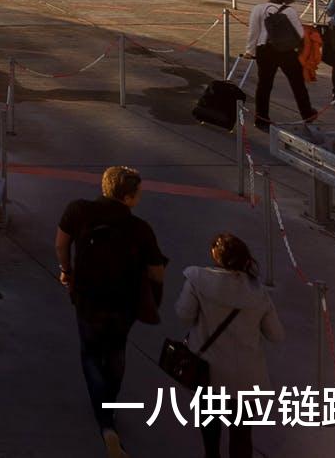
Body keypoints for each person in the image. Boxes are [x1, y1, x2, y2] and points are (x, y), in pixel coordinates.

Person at [56, 165, 167, 458]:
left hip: (87, 298)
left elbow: (61, 244)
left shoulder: (78, 210)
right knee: (116, 352)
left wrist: (67, 271)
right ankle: (109, 408)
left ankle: (106, 424)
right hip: (123, 304)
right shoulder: (140, 228)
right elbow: (157, 271)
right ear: (128, 198)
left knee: (90, 355)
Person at [172, 232, 283, 458]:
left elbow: (184, 315)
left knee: (210, 432)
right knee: (241, 436)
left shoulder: (197, 279)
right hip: (245, 379)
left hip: (208, 374)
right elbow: (276, 335)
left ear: (215, 256)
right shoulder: (258, 294)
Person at [244, 0, 313, 132]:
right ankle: (307, 114)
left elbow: (253, 32)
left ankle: (261, 118)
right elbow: (300, 33)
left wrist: (250, 51)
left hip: (265, 49)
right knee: (297, 84)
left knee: (264, 85)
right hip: (287, 51)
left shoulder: (259, 9)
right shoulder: (290, 11)